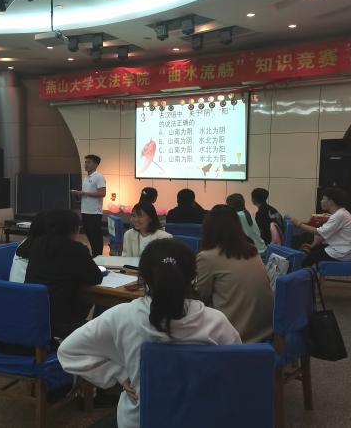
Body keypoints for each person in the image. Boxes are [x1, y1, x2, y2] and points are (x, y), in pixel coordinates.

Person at [58, 239, 241, 428]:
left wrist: (119, 374)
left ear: (143, 278)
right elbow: (238, 372)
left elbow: (68, 351)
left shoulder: (122, 316)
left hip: (139, 420)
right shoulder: (216, 322)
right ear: (193, 276)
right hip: (200, 419)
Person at [196, 205, 273, 343]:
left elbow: (201, 296)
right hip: (265, 333)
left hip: (234, 335)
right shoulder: (252, 251)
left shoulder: (207, 257)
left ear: (208, 228)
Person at [24, 209, 103, 340]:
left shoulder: (37, 244)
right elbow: (96, 278)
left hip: (34, 316)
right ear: (74, 229)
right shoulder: (76, 249)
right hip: (64, 322)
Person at [291, 187, 351, 267]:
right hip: (343, 249)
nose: (321, 201)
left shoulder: (339, 216)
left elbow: (319, 232)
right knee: (311, 249)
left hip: (344, 253)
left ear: (331, 202)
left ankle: (300, 273)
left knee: (308, 258)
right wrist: (313, 245)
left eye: (323, 199)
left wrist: (299, 224)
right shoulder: (341, 213)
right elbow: (324, 233)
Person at [72, 154, 106, 257]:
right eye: (85, 162)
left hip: (94, 212)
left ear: (95, 164)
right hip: (85, 211)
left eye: (89, 162)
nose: (86, 164)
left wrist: (84, 193)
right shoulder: (86, 177)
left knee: (95, 236)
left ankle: (98, 256)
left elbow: (102, 193)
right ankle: (94, 255)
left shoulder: (98, 177)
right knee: (90, 235)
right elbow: (86, 194)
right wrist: (78, 194)